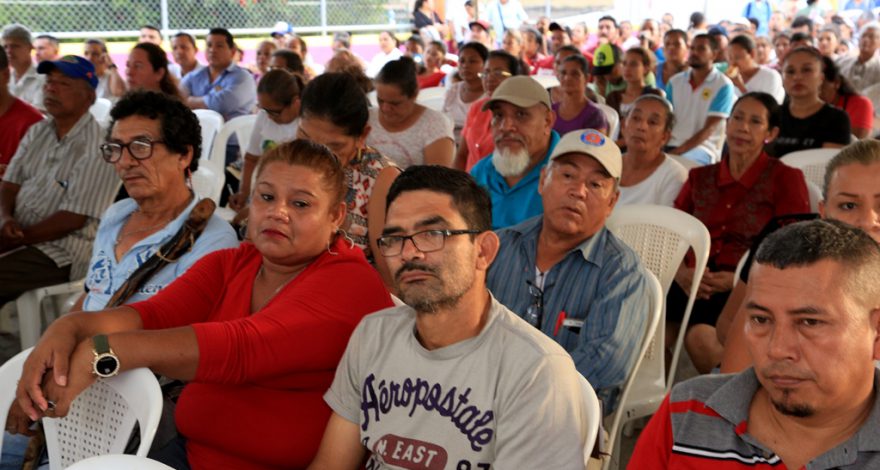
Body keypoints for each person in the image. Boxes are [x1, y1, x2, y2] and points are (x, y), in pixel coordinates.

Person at [11, 138, 393, 470]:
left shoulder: (349, 281)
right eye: (266, 197)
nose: (278, 212)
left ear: (335, 216)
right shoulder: (233, 264)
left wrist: (100, 353)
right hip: (190, 454)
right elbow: (149, 315)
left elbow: (240, 348)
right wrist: (67, 329)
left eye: (301, 203)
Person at [307, 165, 590, 469]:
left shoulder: (536, 371)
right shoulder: (374, 334)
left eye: (432, 234)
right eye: (395, 238)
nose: (409, 253)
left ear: (483, 251)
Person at [630, 219, 880, 469]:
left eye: (810, 322)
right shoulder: (686, 412)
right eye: (761, 319)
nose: (777, 349)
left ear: (877, 333)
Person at [487, 128, 651, 413]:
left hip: (562, 412)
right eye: (567, 175)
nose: (578, 191)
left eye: (595, 184)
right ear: (543, 180)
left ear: (612, 202)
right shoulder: (499, 247)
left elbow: (606, 363)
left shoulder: (622, 272)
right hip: (482, 397)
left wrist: (519, 392)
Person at [669, 92, 810, 374]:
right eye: (737, 118)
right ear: (727, 123)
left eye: (755, 122)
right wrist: (681, 272)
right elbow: (672, 232)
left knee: (701, 338)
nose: (743, 128)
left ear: (771, 133)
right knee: (649, 331)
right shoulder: (699, 177)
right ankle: (649, 398)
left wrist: (738, 280)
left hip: (746, 289)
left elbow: (794, 245)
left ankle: (736, 395)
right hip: (688, 283)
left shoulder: (785, 178)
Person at [719, 139, 880, 373]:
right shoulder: (787, 260)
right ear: (824, 212)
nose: (867, 221)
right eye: (848, 206)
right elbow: (733, 366)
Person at [0, 56, 118, 307]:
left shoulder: (99, 146)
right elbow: (9, 184)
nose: (51, 88)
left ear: (89, 97)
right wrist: (5, 218)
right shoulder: (38, 131)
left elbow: (73, 219)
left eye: (63, 83)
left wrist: (17, 238)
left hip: (62, 250)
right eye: (49, 81)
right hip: (19, 235)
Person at [295, 73, 400, 285]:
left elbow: (390, 279)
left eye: (334, 147)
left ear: (362, 136)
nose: (316, 156)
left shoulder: (381, 179)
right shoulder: (289, 160)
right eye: (306, 139)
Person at [470, 76, 559, 229]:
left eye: (520, 115)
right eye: (498, 116)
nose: (505, 127)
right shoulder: (481, 172)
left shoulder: (569, 175)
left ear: (547, 121)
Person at [229, 70, 304, 214]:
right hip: (266, 190)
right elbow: (251, 159)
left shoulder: (305, 125)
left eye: (274, 112)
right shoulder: (264, 116)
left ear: (296, 102)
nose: (269, 117)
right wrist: (244, 192)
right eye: (264, 110)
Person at [367, 57, 454, 168]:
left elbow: (439, 177)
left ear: (414, 94)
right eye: (380, 100)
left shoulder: (435, 125)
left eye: (395, 103)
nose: (385, 108)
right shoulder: (367, 118)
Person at [666, 33, 736, 165]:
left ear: (714, 54)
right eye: (692, 48)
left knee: (677, 165)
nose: (694, 53)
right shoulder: (674, 82)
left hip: (703, 148)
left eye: (701, 49)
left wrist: (677, 152)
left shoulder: (723, 85)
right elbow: (666, 119)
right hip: (672, 143)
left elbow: (709, 129)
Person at [770, 47, 851, 158]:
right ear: (782, 78)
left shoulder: (836, 119)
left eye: (806, 70)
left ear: (821, 78)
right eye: (790, 71)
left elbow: (830, 164)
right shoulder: (772, 114)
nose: (797, 77)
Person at [453, 49, 520, 172]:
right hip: (468, 181)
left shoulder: (521, 113)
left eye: (498, 73)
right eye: (486, 73)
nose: (489, 78)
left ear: (515, 78)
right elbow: (462, 155)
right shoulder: (477, 107)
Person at [618, 95, 687, 207]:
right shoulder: (607, 165)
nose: (641, 127)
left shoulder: (674, 176)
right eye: (636, 118)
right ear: (623, 127)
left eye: (653, 122)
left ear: (664, 137)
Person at [180, 28, 257, 122]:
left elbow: (221, 104)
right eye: (209, 45)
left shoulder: (243, 77)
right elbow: (178, 99)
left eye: (219, 46)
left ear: (232, 51)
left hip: (232, 131)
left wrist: (189, 101)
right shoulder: (193, 76)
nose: (212, 50)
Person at [605, 47, 662, 139]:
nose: (627, 68)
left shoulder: (654, 96)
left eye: (634, 64)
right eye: (624, 64)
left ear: (646, 68)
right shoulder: (613, 97)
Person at [442, 41, 488, 143]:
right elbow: (443, 122)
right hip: (449, 143)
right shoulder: (453, 90)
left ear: (485, 65)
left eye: (472, 61)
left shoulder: (489, 94)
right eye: (462, 61)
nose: (465, 65)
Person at [820, 56, 875, 140]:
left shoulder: (860, 104)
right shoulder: (803, 106)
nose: (814, 91)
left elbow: (856, 143)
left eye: (821, 86)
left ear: (836, 83)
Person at [553, 54, 608, 136]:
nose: (567, 78)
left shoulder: (594, 115)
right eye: (563, 73)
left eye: (575, 74)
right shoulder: (551, 111)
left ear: (587, 78)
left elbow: (595, 144)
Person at [727, 34, 785, 104]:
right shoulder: (729, 79)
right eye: (730, 58)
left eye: (737, 57)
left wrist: (741, 87)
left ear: (752, 54)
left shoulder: (770, 76)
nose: (733, 62)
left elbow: (765, 106)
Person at [1, 24, 43, 109]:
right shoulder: (4, 76)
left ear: (30, 48)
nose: (9, 51)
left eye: (15, 46)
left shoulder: (43, 77)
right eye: (5, 47)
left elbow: (38, 113)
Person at [839, 22, 880, 93]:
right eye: (863, 36)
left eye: (871, 36)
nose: (866, 39)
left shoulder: (878, 68)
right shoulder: (842, 62)